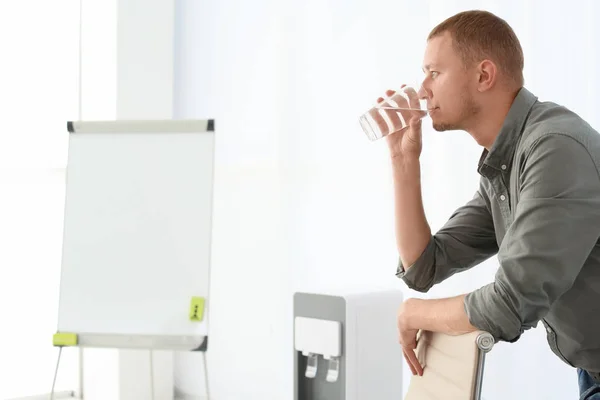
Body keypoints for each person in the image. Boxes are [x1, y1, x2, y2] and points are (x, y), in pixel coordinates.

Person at [379, 10, 600, 399]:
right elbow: (423, 266)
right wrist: (403, 161)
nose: (422, 90)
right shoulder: (505, 167)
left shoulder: (554, 149)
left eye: (434, 72)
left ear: (484, 75)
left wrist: (414, 312)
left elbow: (509, 304)